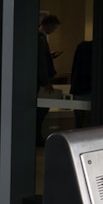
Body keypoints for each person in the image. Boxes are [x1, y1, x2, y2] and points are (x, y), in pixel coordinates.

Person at [36, 14, 61, 145]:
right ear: (48, 25)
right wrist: (46, 82)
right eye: (54, 28)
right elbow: (41, 63)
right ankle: (37, 137)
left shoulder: (39, 37)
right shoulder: (41, 38)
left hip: (40, 80)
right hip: (40, 81)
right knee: (40, 111)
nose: (54, 30)